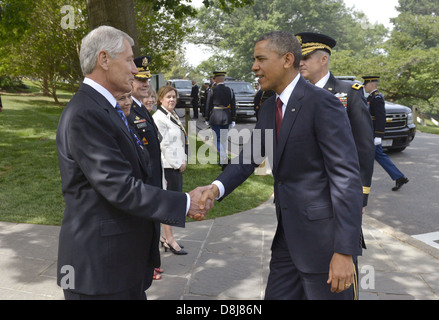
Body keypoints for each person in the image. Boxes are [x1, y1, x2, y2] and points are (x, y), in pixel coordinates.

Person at [199, 31, 363, 300]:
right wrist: (215, 188)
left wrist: (345, 252)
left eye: (261, 59)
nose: (254, 67)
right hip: (287, 241)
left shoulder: (323, 104)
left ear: (287, 59)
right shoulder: (268, 107)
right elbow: (249, 157)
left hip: (324, 246)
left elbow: (346, 180)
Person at [56, 26, 209, 300]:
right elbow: (121, 188)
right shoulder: (86, 113)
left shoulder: (107, 109)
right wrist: (185, 202)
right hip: (100, 271)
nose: (133, 70)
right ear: (104, 59)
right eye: (128, 60)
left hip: (119, 264)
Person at [296, 32, 375, 210]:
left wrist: (361, 193)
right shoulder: (296, 94)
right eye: (299, 58)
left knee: (342, 238)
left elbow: (364, 146)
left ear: (324, 59)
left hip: (337, 191)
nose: (300, 63)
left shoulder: (349, 93)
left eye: (306, 58)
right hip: (301, 191)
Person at [153, 85, 189, 255]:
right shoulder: (159, 118)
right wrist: (177, 164)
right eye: (168, 97)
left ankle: (165, 237)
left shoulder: (171, 115)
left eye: (174, 96)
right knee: (168, 206)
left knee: (171, 205)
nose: (172, 100)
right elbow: (164, 145)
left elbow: (180, 141)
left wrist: (184, 159)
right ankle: (169, 240)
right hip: (167, 167)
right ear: (160, 99)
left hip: (175, 165)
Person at [363, 76, 409, 191]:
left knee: (375, 155)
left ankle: (399, 177)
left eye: (366, 84)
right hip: (369, 131)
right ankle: (399, 177)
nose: (364, 86)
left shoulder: (377, 98)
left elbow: (380, 118)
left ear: (372, 85)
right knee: (377, 155)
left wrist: (378, 135)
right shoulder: (371, 97)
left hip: (373, 133)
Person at [204, 71, 236, 170]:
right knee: (223, 139)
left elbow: (208, 105)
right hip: (226, 116)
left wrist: (207, 118)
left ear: (216, 79)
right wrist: (234, 118)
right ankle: (222, 161)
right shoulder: (230, 90)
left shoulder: (212, 90)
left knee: (217, 140)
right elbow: (233, 105)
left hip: (216, 116)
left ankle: (224, 159)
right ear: (224, 79)